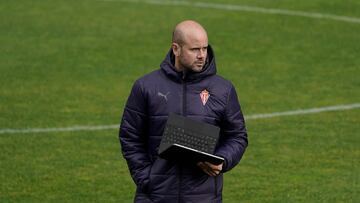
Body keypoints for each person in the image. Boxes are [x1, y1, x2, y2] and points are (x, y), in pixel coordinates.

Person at [119, 20, 248, 203]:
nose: (202, 55)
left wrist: (223, 159)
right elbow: (130, 136)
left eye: (205, 48)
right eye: (195, 49)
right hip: (155, 196)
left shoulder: (223, 89)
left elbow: (237, 136)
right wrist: (147, 179)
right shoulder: (146, 86)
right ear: (176, 49)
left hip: (203, 197)